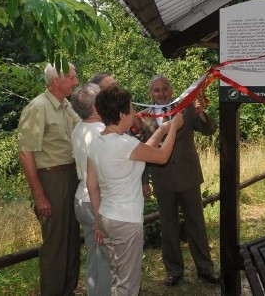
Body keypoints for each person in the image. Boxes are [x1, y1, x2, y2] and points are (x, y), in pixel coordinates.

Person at [86, 85, 183, 295]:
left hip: (106, 217)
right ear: (122, 114)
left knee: (117, 277)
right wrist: (174, 127)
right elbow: (162, 156)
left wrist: (162, 129)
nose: (133, 112)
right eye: (130, 108)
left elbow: (91, 185)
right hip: (126, 222)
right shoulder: (125, 144)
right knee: (128, 286)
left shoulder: (96, 141)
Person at [134, 75, 220, 287]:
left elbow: (210, 130)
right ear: (150, 94)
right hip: (162, 179)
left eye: (164, 89)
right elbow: (142, 151)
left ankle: (206, 268)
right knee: (168, 226)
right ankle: (174, 270)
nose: (161, 93)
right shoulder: (143, 118)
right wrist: (144, 181)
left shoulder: (186, 108)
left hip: (188, 176)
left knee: (196, 224)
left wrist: (201, 114)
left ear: (171, 91)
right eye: (156, 90)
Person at [17, 62, 81, 296]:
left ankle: (68, 290)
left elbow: (85, 129)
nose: (76, 82)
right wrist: (40, 195)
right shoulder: (38, 108)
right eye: (72, 78)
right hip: (52, 180)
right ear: (57, 81)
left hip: (71, 176)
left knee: (71, 239)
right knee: (55, 244)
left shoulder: (66, 106)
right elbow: (26, 153)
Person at [70, 83, 111, 295]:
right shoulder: (100, 132)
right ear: (95, 106)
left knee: (95, 259)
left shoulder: (79, 128)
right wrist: (99, 218)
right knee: (105, 261)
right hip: (97, 201)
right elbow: (101, 177)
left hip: (82, 199)